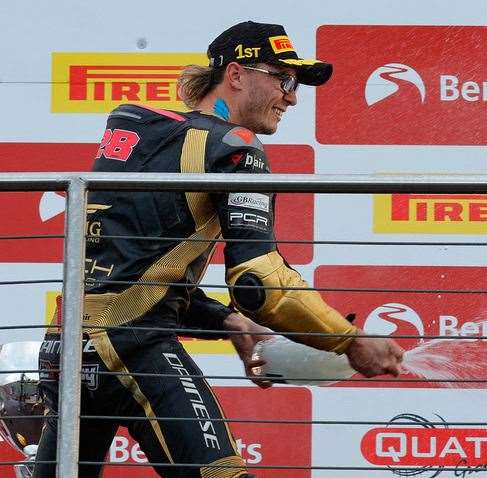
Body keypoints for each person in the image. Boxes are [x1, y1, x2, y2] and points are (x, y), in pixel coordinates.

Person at [34, 20, 404, 478]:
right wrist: (349, 341)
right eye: (284, 79)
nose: (292, 97)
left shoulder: (145, 134)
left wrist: (225, 318)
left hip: (67, 347)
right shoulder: (233, 146)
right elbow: (259, 284)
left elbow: (130, 277)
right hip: (132, 348)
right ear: (236, 75)